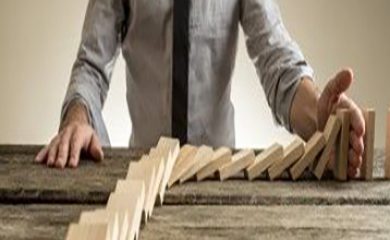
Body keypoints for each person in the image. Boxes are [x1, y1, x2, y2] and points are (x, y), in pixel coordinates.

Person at [35, 0, 365, 178]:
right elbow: (92, 64)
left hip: (221, 179)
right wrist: (77, 119)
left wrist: (319, 118)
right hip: (142, 176)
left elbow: (276, 58)